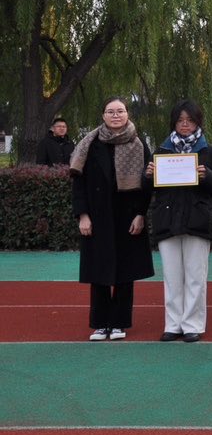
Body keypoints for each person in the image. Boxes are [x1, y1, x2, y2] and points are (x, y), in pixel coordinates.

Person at [69, 96, 153, 341]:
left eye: (120, 111)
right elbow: (79, 183)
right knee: (99, 271)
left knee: (125, 273)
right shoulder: (90, 143)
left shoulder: (139, 144)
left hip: (128, 216)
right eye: (111, 111)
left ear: (127, 114)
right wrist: (83, 215)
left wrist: (141, 214)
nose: (116, 115)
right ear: (103, 116)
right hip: (97, 216)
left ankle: (119, 323)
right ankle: (100, 323)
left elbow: (147, 183)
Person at [147, 100, 212, 342]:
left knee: (195, 276)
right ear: (174, 122)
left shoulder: (208, 151)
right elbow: (148, 186)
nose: (185, 125)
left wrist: (207, 175)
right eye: (180, 120)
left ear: (197, 123)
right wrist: (148, 175)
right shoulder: (162, 151)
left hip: (198, 220)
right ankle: (173, 324)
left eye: (190, 120)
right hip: (167, 220)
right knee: (172, 277)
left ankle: (192, 324)